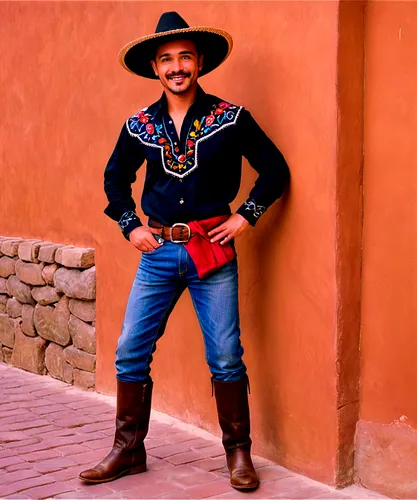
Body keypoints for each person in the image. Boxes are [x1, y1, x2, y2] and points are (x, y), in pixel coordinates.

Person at [79, 11, 289, 491]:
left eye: (185, 58)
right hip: (157, 255)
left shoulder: (230, 118)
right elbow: (115, 179)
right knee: (130, 350)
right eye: (167, 59)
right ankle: (128, 450)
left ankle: (238, 455)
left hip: (212, 256)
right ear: (155, 67)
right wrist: (130, 225)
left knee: (225, 357)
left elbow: (274, 169)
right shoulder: (139, 125)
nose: (177, 67)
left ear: (199, 63)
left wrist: (246, 215)